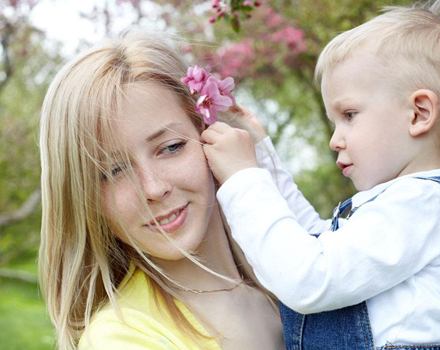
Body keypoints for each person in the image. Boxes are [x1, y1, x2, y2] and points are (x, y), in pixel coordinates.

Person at [201, 0, 440, 348]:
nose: (334, 140)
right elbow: (312, 242)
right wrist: (261, 158)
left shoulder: (426, 206)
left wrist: (243, 181)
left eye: (349, 115)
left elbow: (307, 277)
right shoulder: (407, 207)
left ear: (419, 114)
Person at [38, 30, 288, 350]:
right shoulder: (119, 338)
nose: (153, 189)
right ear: (84, 199)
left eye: (170, 147)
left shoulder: (305, 274)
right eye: (112, 171)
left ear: (208, 131)